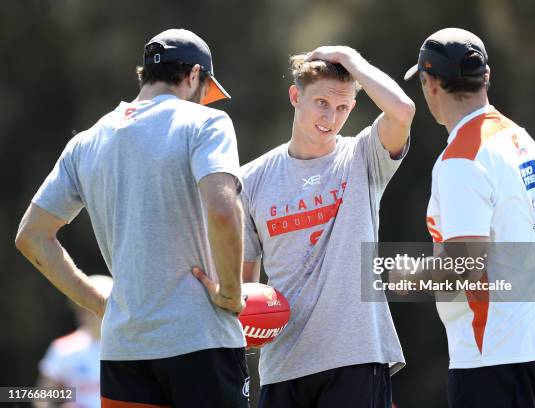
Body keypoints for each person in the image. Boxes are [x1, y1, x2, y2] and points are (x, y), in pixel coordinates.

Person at [15, 28, 248, 408]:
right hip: (200, 339)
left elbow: (31, 237)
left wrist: (98, 304)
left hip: (124, 350)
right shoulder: (206, 123)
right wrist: (231, 294)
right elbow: (223, 212)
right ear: (193, 76)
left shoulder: (85, 142)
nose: (204, 101)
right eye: (205, 90)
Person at [227, 45, 413, 407]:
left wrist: (351, 59)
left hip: (356, 358)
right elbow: (245, 285)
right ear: (296, 96)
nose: (331, 117)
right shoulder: (250, 179)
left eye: (343, 107)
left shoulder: (363, 156)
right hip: (283, 365)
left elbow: (403, 111)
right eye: (322, 103)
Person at [403, 28, 535, 407]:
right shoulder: (521, 138)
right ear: (486, 77)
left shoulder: (460, 161)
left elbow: (465, 266)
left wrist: (398, 275)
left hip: (493, 357)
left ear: (429, 84)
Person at [36, 275, 113, 408]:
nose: (85, 313)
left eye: (93, 307)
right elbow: (43, 397)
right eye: (81, 307)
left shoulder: (134, 347)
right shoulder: (64, 347)